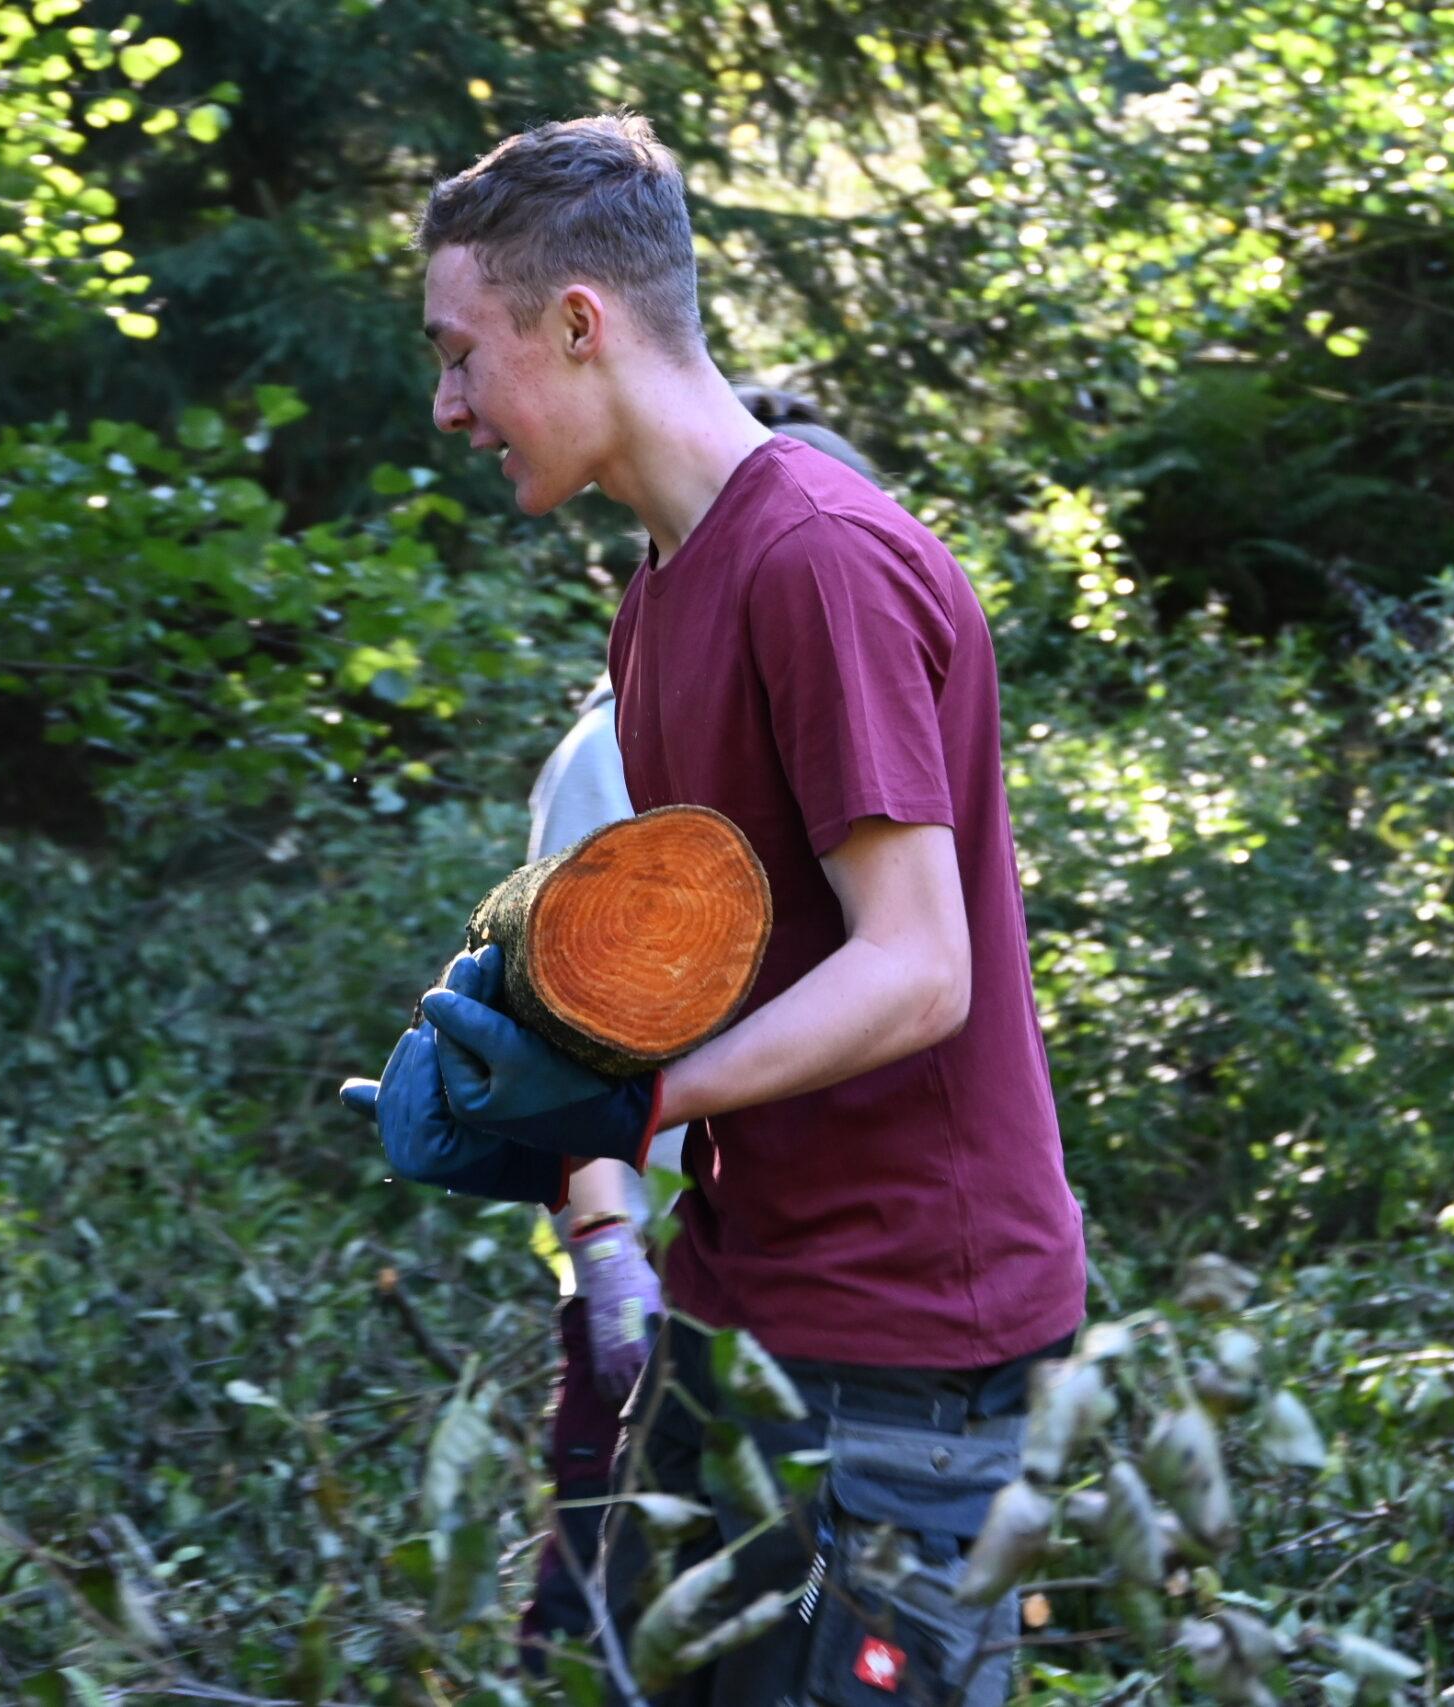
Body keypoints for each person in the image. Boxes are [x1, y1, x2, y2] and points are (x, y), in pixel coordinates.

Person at [340, 112, 1087, 1705]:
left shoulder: (815, 555)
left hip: (905, 1342)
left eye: (461, 351)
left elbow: (915, 967)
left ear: (580, 323)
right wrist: (545, 1065)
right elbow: (712, 954)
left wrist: (638, 1095)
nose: (447, 403)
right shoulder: (663, 588)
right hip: (743, 1304)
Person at [515, 394, 883, 1671]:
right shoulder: (606, 758)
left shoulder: (863, 736)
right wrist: (607, 1246)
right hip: (665, 1262)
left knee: (787, 1614)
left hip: (817, 1282)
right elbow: (558, 1041)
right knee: (601, 1618)